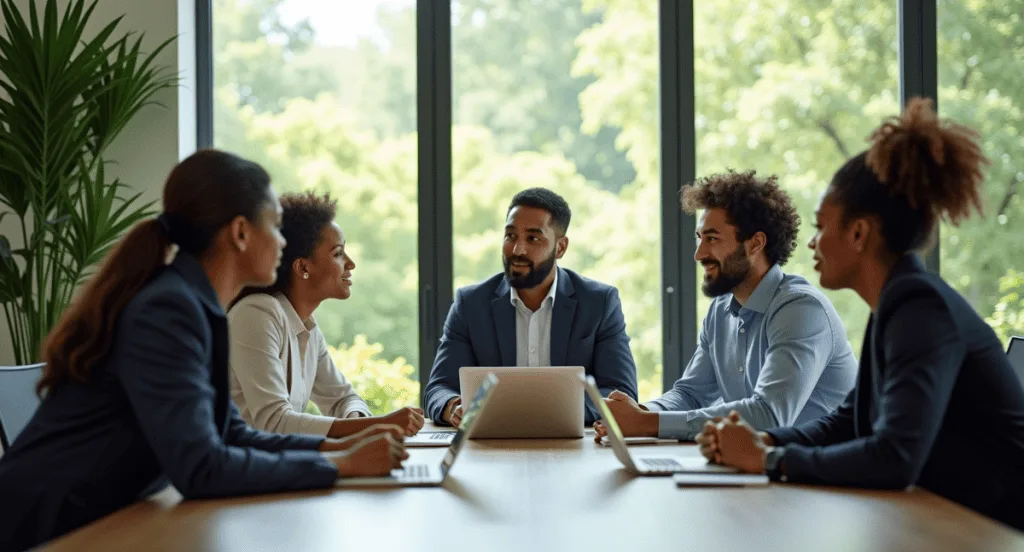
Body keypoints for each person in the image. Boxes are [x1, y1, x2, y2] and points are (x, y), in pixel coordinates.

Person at [0, 150, 407, 552]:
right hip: (39, 536)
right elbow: (201, 469)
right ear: (241, 233)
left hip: (89, 523)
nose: (284, 242)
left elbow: (233, 434)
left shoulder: (197, 306)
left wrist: (339, 451)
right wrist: (341, 465)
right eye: (276, 227)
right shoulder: (170, 310)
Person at [699, 98, 1024, 531]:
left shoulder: (919, 308)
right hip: (955, 524)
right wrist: (765, 439)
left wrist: (768, 459)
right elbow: (846, 424)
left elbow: (895, 458)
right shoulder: (895, 304)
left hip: (997, 540)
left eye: (820, 226)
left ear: (858, 233)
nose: (811, 244)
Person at [595, 170, 858, 441]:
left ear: (755, 243)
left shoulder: (801, 309)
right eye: (699, 238)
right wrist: (637, 413)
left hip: (822, 474)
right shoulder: (721, 310)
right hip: (762, 467)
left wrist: (648, 423)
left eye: (712, 239)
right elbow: (691, 394)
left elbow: (769, 415)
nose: (699, 254)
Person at [424, 187, 638, 426]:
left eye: (533, 239)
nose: (517, 249)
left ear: (560, 247)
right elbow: (439, 389)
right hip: (490, 450)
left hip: (575, 448)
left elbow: (621, 393)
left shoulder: (599, 303)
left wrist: (547, 413)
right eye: (510, 236)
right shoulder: (471, 304)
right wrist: (453, 407)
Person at [228, 191, 425, 438]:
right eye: (338, 253)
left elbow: (344, 398)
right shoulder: (256, 314)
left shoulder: (307, 327)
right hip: (247, 472)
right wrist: (376, 425)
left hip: (280, 467)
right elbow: (273, 423)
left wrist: (359, 422)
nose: (350, 263)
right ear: (303, 267)